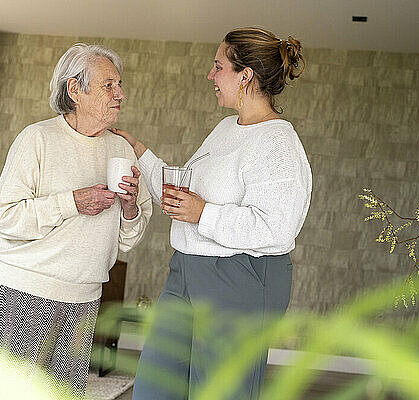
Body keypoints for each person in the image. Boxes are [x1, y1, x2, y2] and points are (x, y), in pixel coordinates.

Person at [111, 27, 312, 399]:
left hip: (240, 279)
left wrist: (203, 213)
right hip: (186, 272)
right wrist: (138, 150)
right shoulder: (225, 128)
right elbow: (185, 196)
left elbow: (276, 228)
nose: (210, 76)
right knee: (155, 388)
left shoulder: (278, 142)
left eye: (218, 67)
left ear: (245, 76)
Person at [0, 43, 152, 397]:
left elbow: (126, 240)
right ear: (75, 90)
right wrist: (72, 202)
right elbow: (2, 218)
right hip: (25, 290)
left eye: (119, 84)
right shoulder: (37, 139)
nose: (120, 94)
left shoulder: (121, 149)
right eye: (109, 85)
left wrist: (131, 208)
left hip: (85, 295)